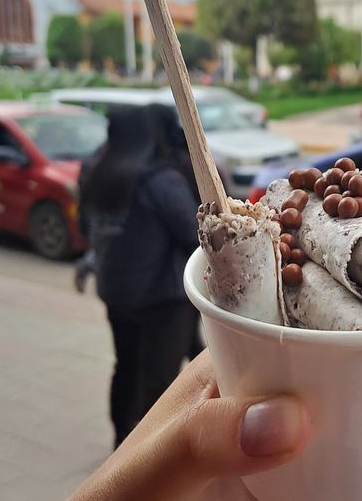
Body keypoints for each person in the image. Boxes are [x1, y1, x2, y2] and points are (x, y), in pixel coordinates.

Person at [81, 104, 203, 448]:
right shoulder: (159, 180)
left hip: (116, 293)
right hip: (163, 301)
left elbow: (83, 229)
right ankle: (150, 457)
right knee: (159, 383)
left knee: (124, 367)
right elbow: (192, 233)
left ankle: (120, 439)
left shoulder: (96, 171)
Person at [69, 349, 311, 501]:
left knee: (131, 368)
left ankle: (127, 435)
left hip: (145, 294)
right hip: (158, 295)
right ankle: (127, 434)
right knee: (148, 375)